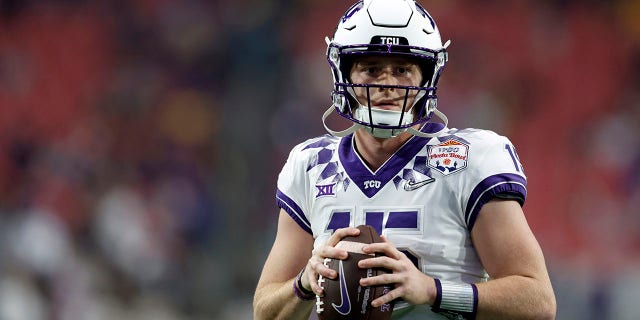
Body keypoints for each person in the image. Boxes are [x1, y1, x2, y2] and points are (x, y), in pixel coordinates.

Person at [253, 0, 556, 319]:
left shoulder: (469, 157)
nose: (388, 84)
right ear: (343, 73)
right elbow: (265, 311)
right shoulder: (311, 165)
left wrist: (431, 290)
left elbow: (538, 302)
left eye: (402, 69)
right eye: (371, 69)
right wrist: (303, 283)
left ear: (426, 77)